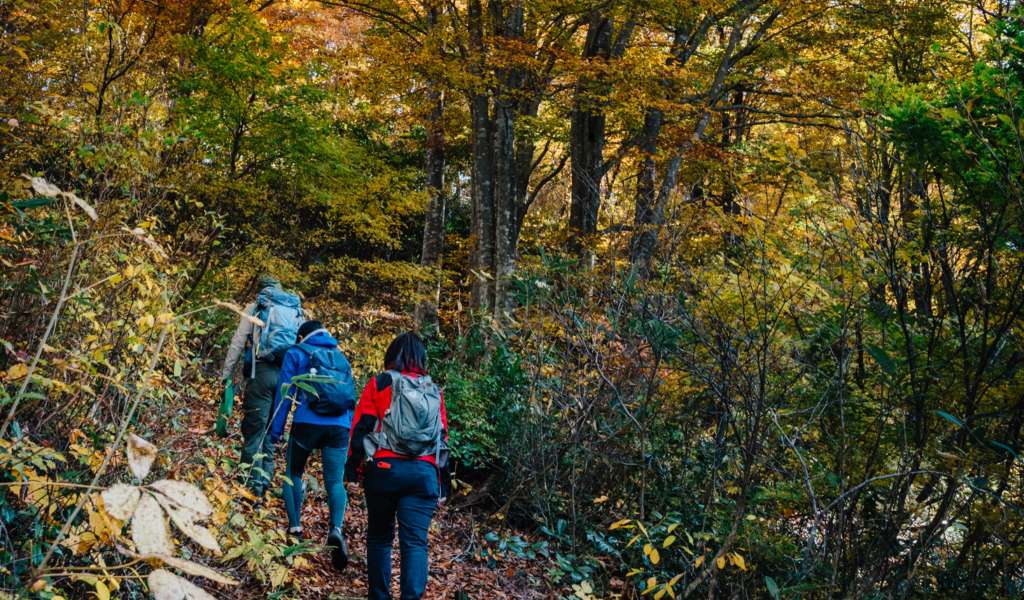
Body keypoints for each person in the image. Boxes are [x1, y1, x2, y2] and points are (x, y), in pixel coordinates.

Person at [347, 332, 450, 600]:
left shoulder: (380, 383)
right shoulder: (433, 390)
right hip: (423, 474)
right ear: (422, 359)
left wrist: (353, 470)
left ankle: (379, 597)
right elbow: (443, 440)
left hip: (384, 471)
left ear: (391, 355)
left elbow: (361, 428)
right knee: (415, 543)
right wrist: (442, 486)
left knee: (380, 538)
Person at [269, 320, 355, 570]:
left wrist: (276, 431)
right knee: (335, 482)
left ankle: (295, 528)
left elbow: (284, 396)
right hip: (339, 427)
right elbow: (350, 398)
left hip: (307, 423)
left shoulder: (297, 353)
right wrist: (346, 430)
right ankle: (336, 529)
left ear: (302, 336)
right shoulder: (340, 357)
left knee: (293, 473)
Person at [220, 274, 303, 496]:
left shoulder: (256, 306)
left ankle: (250, 486)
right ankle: (264, 482)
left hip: (262, 373)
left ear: (261, 289)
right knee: (271, 430)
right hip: (286, 377)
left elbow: (238, 342)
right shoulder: (295, 309)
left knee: (255, 429)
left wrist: (226, 375)